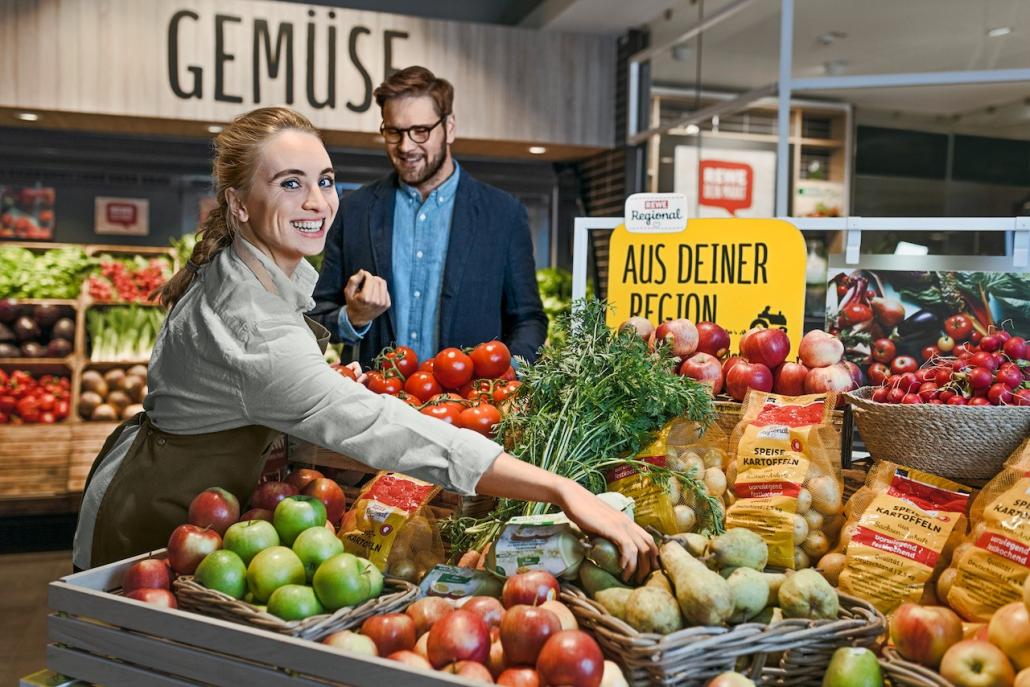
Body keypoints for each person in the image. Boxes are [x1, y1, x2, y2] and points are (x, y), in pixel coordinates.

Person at [71, 107, 656, 581]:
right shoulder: (249, 321)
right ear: (238, 203)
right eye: (289, 183)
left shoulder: (251, 271)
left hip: (189, 504)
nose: (318, 202)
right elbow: (382, 427)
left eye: (325, 181)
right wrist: (558, 486)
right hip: (156, 522)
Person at [308, 66, 548, 370]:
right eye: (394, 132)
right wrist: (353, 318)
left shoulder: (503, 213)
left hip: (468, 409)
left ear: (449, 127)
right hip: (374, 404)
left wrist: (507, 375)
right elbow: (316, 316)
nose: (406, 146)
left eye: (420, 131)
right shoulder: (355, 209)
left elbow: (528, 319)